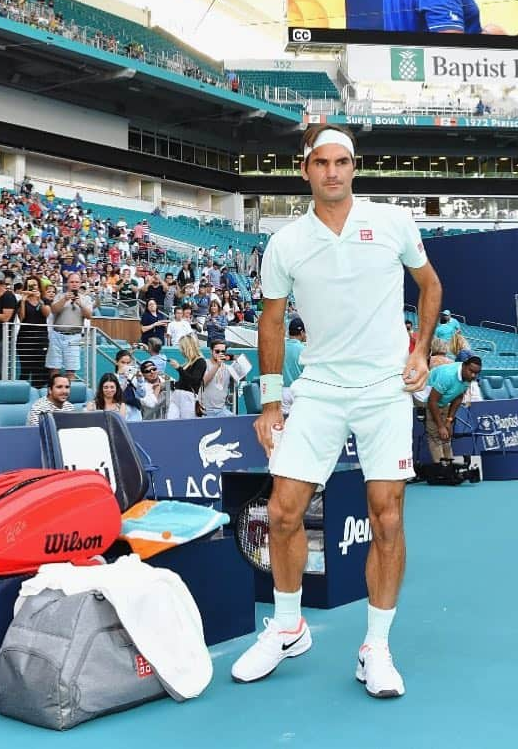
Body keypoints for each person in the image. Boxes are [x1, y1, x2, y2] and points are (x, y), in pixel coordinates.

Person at [231, 124, 442, 698]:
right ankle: (288, 626)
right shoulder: (285, 243)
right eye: (321, 163)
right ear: (306, 170)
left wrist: (420, 349)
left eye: (342, 162)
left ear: (355, 167)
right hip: (319, 388)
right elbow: (271, 321)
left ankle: (375, 645)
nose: (332, 172)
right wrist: (271, 400)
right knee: (281, 512)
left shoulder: (394, 222)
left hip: (384, 388)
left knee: (388, 515)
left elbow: (430, 286)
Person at [418, 356, 482, 464]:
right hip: (425, 398)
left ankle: (449, 466)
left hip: (443, 400)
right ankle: (441, 468)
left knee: (447, 436)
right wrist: (441, 426)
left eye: (476, 373)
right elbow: (432, 401)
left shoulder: (469, 376)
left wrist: (449, 420)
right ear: (464, 366)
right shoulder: (447, 376)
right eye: (471, 371)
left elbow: (458, 396)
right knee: (436, 435)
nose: (473, 375)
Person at [47, 273, 93, 380]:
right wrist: (64, 299)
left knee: (71, 370)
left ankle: (69, 394)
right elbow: (53, 310)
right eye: (72, 282)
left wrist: (80, 304)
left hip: (74, 337)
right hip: (57, 335)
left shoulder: (85, 299)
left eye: (77, 282)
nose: (74, 284)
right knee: (54, 368)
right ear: (67, 283)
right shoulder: (59, 296)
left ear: (80, 283)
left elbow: (89, 316)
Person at [17, 274, 51, 387]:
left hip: (41, 339)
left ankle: (37, 395)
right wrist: (23, 301)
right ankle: (22, 395)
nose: (33, 287)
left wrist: (39, 299)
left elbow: (46, 314)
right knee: (25, 369)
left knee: (39, 369)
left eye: (35, 285)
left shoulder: (44, 300)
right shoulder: (23, 300)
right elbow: (21, 318)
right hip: (25, 339)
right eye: (30, 285)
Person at [167, 335, 206, 419]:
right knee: (170, 421)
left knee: (187, 424)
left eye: (181, 348)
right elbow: (184, 380)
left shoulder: (200, 361)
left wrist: (179, 368)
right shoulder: (187, 363)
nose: (180, 350)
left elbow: (194, 380)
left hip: (187, 396)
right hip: (177, 395)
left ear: (186, 348)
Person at [200, 340, 235, 417]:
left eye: (223, 351)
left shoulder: (228, 368)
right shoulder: (204, 364)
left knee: (235, 422)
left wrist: (233, 357)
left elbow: (244, 370)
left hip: (221, 410)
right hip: (205, 410)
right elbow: (203, 382)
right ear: (211, 351)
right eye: (217, 351)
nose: (220, 354)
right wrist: (217, 365)